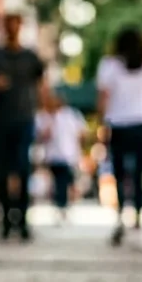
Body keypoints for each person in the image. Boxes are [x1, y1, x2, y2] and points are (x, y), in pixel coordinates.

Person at [0, 12, 46, 242]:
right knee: (2, 171)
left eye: (15, 25)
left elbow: (42, 86)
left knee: (23, 170)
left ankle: (22, 221)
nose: (12, 29)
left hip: (24, 120)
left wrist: (46, 115)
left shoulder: (30, 57)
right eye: (8, 25)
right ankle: (5, 220)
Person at [96, 26, 142, 246]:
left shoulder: (109, 67)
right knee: (138, 173)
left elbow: (103, 98)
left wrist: (101, 124)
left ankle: (120, 214)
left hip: (118, 125)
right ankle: (137, 214)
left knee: (118, 172)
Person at [35, 88, 87, 222]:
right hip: (53, 156)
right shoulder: (43, 116)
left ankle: (64, 204)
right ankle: (60, 205)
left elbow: (82, 133)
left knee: (67, 181)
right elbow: (40, 136)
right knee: (58, 182)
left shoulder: (71, 115)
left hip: (69, 155)